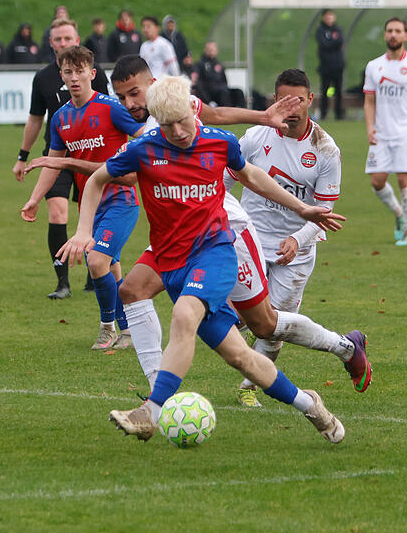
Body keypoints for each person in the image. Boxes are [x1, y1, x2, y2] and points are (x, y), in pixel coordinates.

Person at [57, 75, 347, 444]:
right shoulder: (144, 148)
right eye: (168, 124)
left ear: (193, 109)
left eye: (183, 120)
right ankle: (311, 405)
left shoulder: (219, 142)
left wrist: (303, 208)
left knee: (184, 315)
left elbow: (252, 175)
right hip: (169, 258)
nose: (178, 131)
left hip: (214, 252)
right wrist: (84, 231)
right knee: (241, 358)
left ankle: (151, 410)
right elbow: (99, 178)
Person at [93, 58, 371, 404]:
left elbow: (219, 129)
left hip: (238, 235)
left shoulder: (183, 110)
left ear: (153, 82)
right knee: (134, 290)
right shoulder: (151, 131)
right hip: (190, 232)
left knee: (264, 325)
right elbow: (126, 171)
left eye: (134, 93)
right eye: (122, 98)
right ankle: (157, 395)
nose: (130, 104)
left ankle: (338, 350)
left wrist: (299, 222)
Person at [225, 69, 364, 404]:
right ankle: (346, 346)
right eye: (285, 100)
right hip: (250, 241)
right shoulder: (256, 137)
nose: (292, 108)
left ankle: (249, 389)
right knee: (237, 317)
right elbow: (224, 184)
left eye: (298, 100)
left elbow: (325, 213)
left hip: (297, 251)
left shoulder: (325, 149)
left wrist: (297, 240)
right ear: (275, 100)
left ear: (310, 100)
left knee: (271, 328)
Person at [22, 46, 145, 351]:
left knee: (97, 260)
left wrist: (131, 163)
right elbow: (52, 163)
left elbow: (145, 135)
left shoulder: (111, 108)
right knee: (111, 267)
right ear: (61, 76)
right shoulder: (61, 118)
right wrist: (35, 199)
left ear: (92, 74)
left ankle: (106, 328)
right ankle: (129, 331)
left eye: (80, 72)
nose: (74, 78)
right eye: (68, 72)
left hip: (121, 199)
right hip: (90, 206)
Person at [13, 19, 111, 300]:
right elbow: (34, 119)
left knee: (90, 215)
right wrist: (23, 156)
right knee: (57, 212)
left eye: (68, 38)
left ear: (77, 39)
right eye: (58, 39)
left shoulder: (95, 74)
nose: (63, 43)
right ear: (51, 43)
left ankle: (96, 272)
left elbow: (109, 113)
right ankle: (63, 282)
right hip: (56, 156)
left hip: (90, 155)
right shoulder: (43, 78)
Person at [363, 17, 407, 247]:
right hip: (382, 133)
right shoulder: (374, 66)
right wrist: (370, 127)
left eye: (398, 31)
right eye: (389, 31)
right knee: (377, 181)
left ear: (406, 35)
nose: (393, 34)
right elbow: (369, 101)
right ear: (385, 35)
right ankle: (398, 213)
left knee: (404, 179)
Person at [316, 9, 345, 120]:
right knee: (325, 91)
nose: (329, 19)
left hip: (338, 66)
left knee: (339, 91)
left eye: (331, 16)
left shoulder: (338, 29)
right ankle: (324, 114)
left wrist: (331, 43)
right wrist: (334, 43)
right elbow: (324, 44)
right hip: (325, 67)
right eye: (327, 17)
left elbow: (340, 41)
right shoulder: (321, 30)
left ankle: (339, 114)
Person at [196, 41, 245, 108]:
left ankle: (243, 114)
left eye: (213, 49)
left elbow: (224, 80)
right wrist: (208, 101)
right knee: (223, 92)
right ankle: (228, 115)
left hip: (222, 89)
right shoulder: (201, 64)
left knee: (239, 92)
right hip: (211, 91)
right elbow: (200, 84)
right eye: (209, 49)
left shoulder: (218, 64)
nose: (211, 51)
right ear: (205, 50)